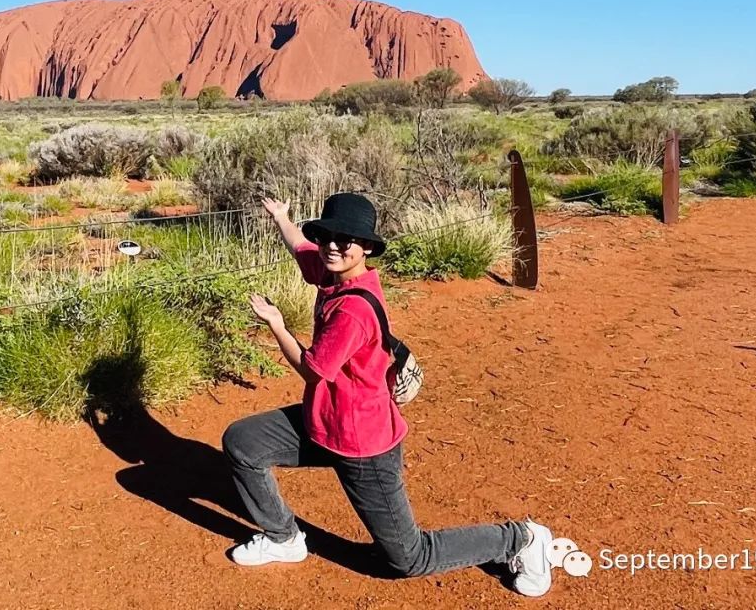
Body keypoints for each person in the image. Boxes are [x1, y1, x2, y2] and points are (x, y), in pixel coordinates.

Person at [222, 193, 554, 597]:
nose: (332, 245)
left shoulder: (353, 310)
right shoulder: (334, 274)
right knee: (244, 442)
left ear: (366, 248)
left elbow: (313, 370)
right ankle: (283, 538)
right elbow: (301, 248)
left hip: (363, 444)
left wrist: (276, 323)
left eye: (345, 240)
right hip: (324, 422)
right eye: (327, 234)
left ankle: (521, 539)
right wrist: (281, 218)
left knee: (408, 558)